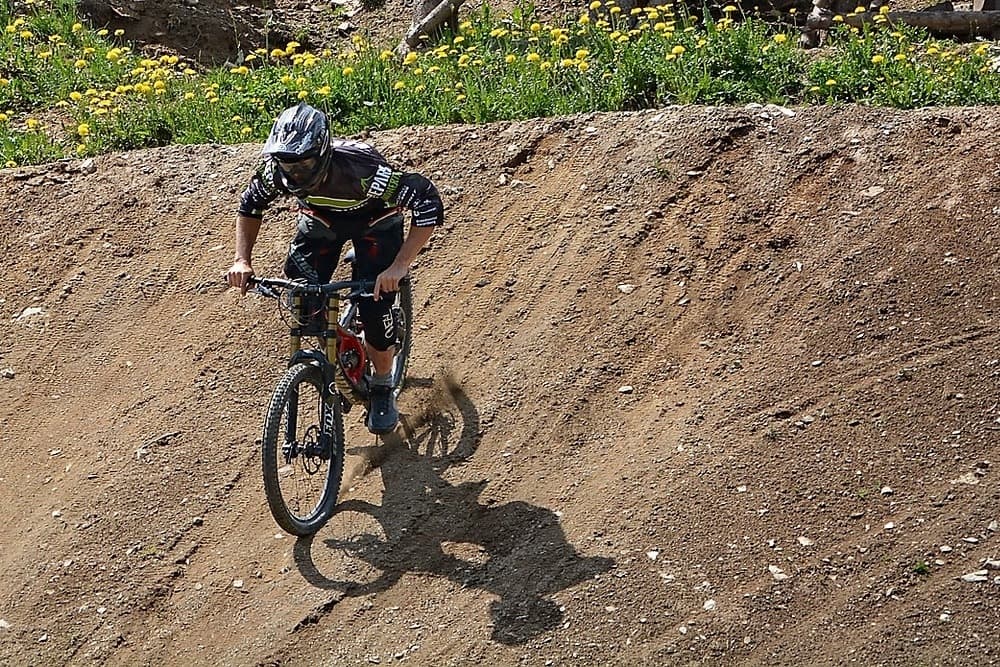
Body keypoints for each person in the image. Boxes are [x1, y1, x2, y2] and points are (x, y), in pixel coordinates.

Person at [225, 102, 444, 434]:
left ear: (323, 151)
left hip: (376, 223)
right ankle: (340, 357)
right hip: (321, 223)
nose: (294, 172)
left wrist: (399, 266)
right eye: (286, 163)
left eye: (303, 164)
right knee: (302, 300)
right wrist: (242, 259)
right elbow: (250, 205)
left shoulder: (364, 171)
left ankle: (383, 386)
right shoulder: (276, 172)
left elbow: (426, 200)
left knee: (375, 306)